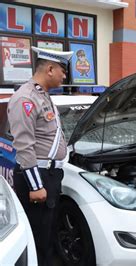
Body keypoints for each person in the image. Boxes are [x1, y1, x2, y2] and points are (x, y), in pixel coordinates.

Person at [8, 46, 73, 266]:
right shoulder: (25, 98)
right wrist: (36, 186)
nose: (65, 76)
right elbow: (25, 146)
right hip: (37, 177)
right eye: (63, 71)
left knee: (48, 232)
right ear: (50, 69)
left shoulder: (42, 95)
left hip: (50, 175)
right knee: (38, 235)